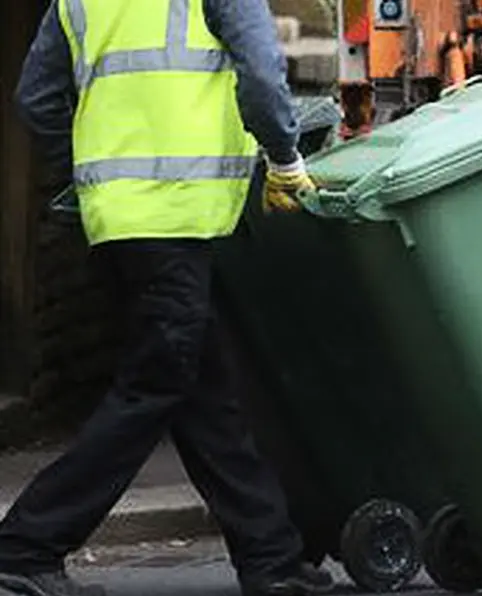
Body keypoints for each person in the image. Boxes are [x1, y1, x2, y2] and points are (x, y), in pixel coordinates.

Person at [0, 1, 335, 596]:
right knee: (154, 386)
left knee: (204, 393)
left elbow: (36, 98)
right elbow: (261, 77)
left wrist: (91, 180)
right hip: (179, 214)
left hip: (120, 220)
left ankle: (270, 559)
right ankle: (26, 545)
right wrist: (285, 160)